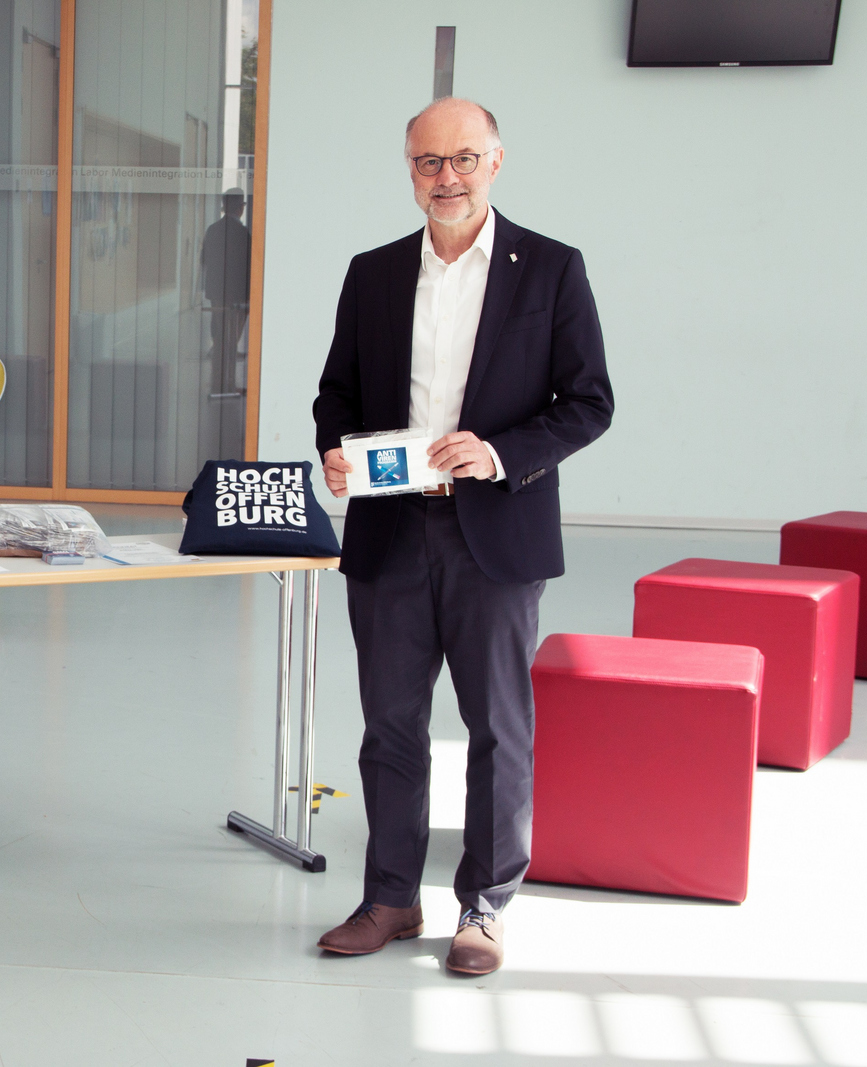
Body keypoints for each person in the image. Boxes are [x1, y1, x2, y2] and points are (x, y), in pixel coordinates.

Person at [311, 97, 613, 975]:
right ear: (409, 170)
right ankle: (392, 898)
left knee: (496, 726)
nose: (445, 178)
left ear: (496, 161)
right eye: (427, 163)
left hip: (497, 531)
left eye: (462, 160)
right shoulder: (372, 272)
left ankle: (484, 906)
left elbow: (589, 402)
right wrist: (335, 449)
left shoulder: (551, 270)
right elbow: (337, 391)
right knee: (391, 727)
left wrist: (498, 452)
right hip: (390, 529)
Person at [201, 188, 252, 394]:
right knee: (230, 340)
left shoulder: (212, 229)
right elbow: (249, 267)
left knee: (221, 337)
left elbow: (204, 260)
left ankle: (219, 382)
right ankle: (226, 384)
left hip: (217, 293)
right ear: (240, 208)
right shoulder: (243, 233)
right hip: (237, 296)